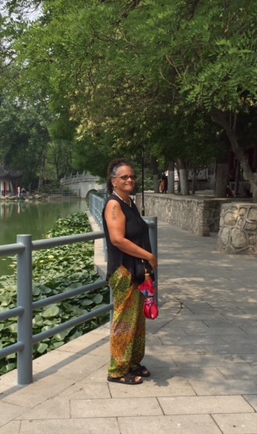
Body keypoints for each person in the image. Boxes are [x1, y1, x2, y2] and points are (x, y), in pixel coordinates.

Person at [102, 158, 158, 385]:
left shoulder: (129, 202)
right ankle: (117, 370)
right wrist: (149, 256)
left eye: (132, 176)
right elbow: (117, 239)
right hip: (124, 271)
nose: (130, 180)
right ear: (113, 181)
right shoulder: (114, 205)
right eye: (124, 177)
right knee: (124, 321)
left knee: (137, 321)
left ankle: (133, 363)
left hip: (137, 272)